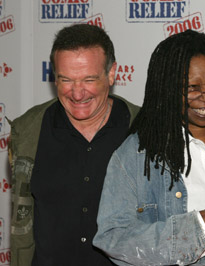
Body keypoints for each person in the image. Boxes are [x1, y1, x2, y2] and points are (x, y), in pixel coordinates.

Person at [93, 30, 205, 266]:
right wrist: (188, 235)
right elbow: (112, 239)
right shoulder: (137, 155)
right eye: (192, 88)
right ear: (167, 90)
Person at [8, 24, 140, 266]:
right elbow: (22, 225)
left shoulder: (144, 129)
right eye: (66, 80)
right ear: (54, 77)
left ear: (112, 73)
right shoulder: (28, 131)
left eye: (89, 79)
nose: (77, 94)